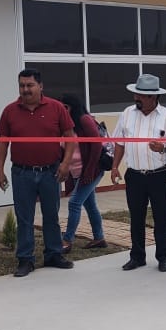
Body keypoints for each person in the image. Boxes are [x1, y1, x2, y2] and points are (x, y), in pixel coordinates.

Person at [0, 68, 76, 277]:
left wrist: (66, 164)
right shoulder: (10, 111)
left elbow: (70, 137)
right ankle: (25, 259)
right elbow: (3, 142)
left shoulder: (56, 108)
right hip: (22, 173)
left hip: (51, 172)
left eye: (30, 85)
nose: (25, 89)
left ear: (40, 86)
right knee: (24, 218)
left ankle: (54, 254)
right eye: (22, 85)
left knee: (51, 215)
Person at [110, 74, 166, 272]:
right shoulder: (127, 114)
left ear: (154, 97)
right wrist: (115, 166)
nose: (136, 98)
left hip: (159, 174)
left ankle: (163, 257)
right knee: (136, 216)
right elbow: (119, 142)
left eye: (141, 96)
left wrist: (163, 148)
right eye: (136, 94)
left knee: (161, 217)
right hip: (134, 175)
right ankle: (137, 256)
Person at [59, 93, 108, 253]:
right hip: (77, 172)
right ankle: (99, 238)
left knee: (74, 203)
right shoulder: (65, 125)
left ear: (73, 107)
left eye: (65, 107)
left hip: (93, 170)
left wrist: (89, 172)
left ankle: (67, 240)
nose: (63, 110)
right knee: (90, 204)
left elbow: (96, 146)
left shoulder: (84, 120)